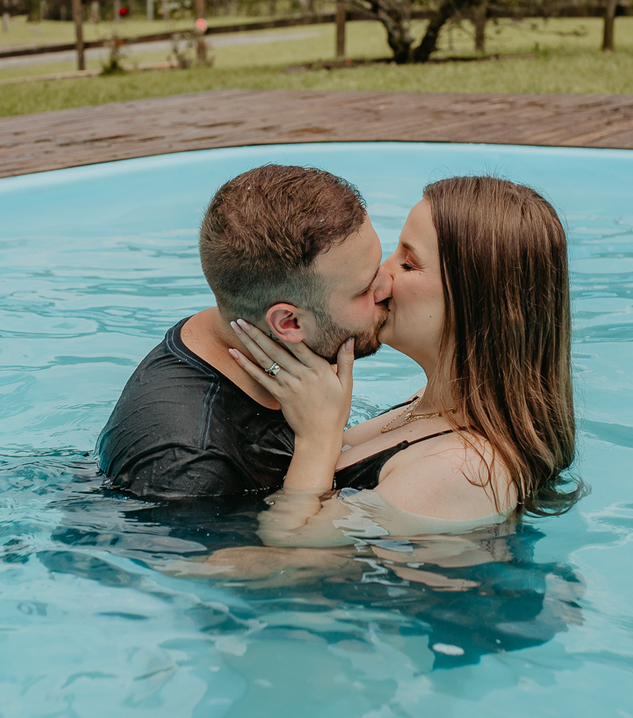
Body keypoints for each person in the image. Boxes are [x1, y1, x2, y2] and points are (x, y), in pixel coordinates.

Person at [227, 174, 578, 544]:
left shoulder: (464, 470)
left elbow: (288, 553)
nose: (381, 277)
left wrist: (317, 438)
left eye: (408, 264)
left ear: (477, 304)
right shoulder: (434, 403)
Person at [96, 163, 392, 500]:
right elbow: (294, 537)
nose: (388, 285)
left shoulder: (254, 328)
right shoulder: (191, 466)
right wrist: (318, 441)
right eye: (364, 288)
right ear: (289, 323)